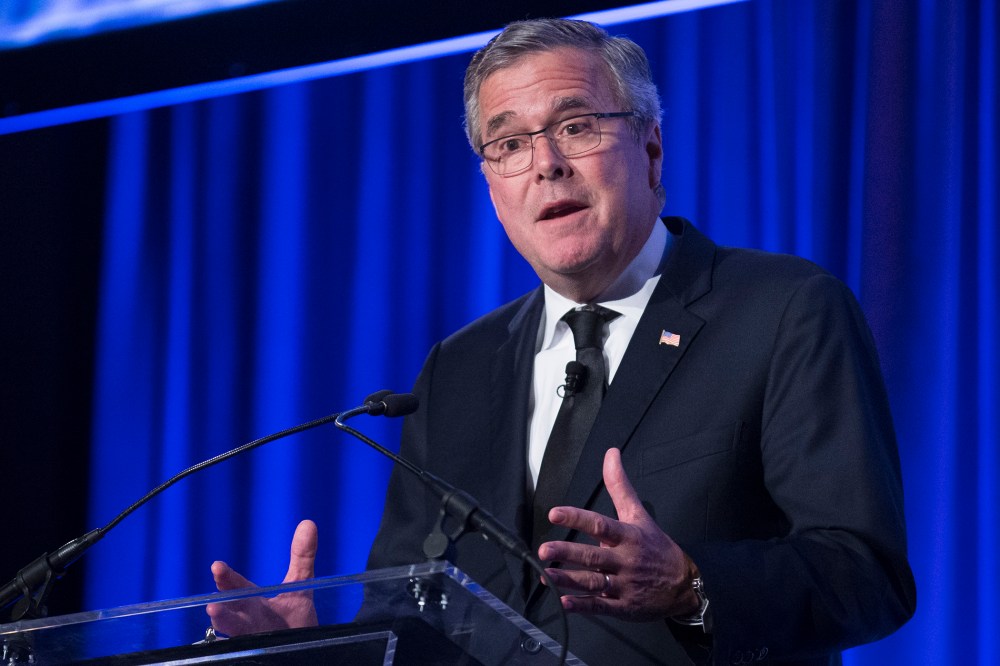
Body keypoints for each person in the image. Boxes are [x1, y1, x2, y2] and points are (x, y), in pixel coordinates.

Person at [208, 18, 916, 665]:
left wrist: (691, 584)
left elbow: (865, 573)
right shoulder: (457, 368)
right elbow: (410, 620)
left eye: (575, 126)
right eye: (510, 143)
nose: (545, 162)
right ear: (492, 184)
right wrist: (318, 649)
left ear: (651, 147)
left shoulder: (781, 310)